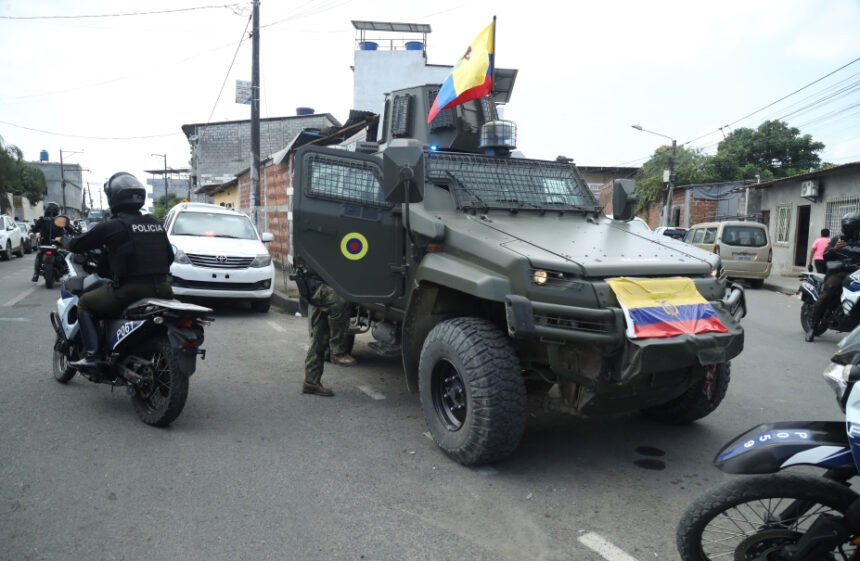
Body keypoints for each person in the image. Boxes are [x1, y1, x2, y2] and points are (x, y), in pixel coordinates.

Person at [64, 172, 174, 371]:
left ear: (113, 197)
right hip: (164, 289)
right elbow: (170, 257)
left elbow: (78, 245)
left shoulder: (112, 226)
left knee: (86, 303)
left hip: (130, 291)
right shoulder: (155, 224)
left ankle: (93, 356)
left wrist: (64, 241)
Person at [806, 213, 860, 342]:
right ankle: (812, 328)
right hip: (839, 273)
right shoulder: (837, 240)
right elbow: (825, 256)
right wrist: (835, 249)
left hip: (857, 274)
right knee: (827, 294)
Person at [303, 282, 357, 397]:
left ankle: (311, 382)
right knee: (340, 301)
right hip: (315, 284)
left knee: (320, 336)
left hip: (323, 283)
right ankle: (338, 350)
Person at [30, 202, 75, 282]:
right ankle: (69, 273)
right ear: (57, 211)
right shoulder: (60, 220)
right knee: (67, 256)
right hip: (57, 244)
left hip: (44, 244)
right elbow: (70, 229)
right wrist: (73, 233)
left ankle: (36, 274)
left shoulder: (42, 220)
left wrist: (35, 231)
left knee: (39, 256)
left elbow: (34, 229)